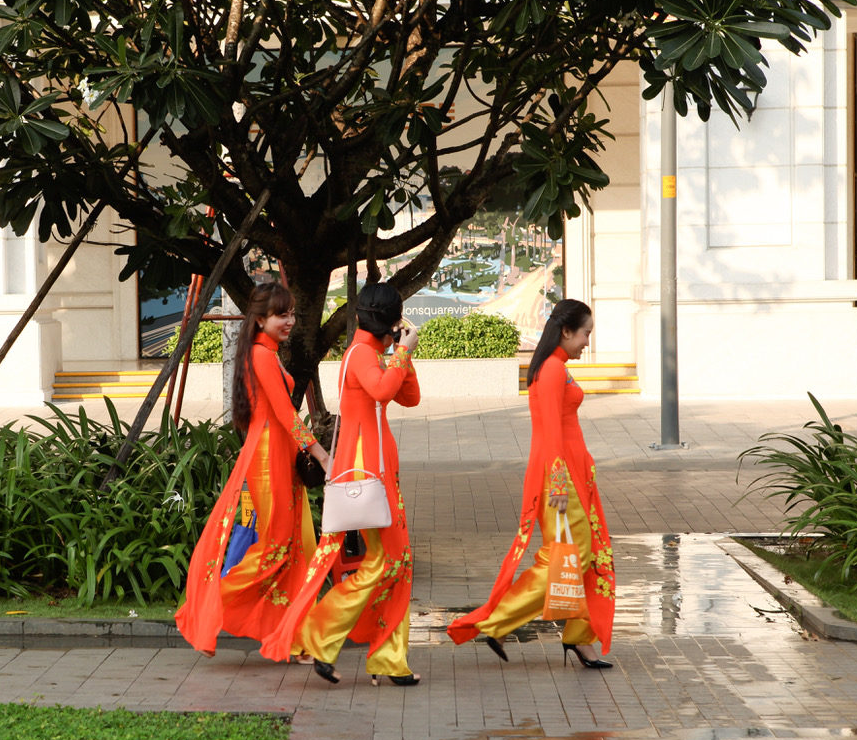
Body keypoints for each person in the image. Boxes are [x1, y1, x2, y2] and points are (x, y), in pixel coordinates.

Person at [261, 282, 422, 687]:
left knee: (387, 562)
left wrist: (403, 354)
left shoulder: (369, 353)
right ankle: (335, 641)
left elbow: (410, 396)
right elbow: (385, 389)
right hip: (369, 473)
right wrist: (404, 350)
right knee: (390, 562)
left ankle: (357, 648)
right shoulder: (362, 354)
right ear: (391, 321)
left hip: (374, 469)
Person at [447, 299, 616, 668]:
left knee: (578, 557)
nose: (588, 341)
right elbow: (552, 433)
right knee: (573, 556)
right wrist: (558, 487)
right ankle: (497, 622)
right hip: (561, 477)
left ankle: (578, 638)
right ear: (567, 331)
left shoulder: (555, 366)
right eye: (586, 333)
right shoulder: (553, 370)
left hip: (567, 473)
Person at [175, 283, 331, 657]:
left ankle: (293, 638)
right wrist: (322, 455)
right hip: (267, 458)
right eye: (282, 314)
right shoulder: (262, 355)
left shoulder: (269, 352)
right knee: (276, 548)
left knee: (294, 548)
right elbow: (283, 412)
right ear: (260, 319)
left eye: (292, 313)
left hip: (279, 454)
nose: (290, 321)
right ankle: (204, 610)